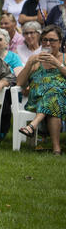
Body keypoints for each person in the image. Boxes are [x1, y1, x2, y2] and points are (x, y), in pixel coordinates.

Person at [17, 25, 66, 155]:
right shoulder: (36, 59)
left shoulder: (65, 58)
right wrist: (29, 64)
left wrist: (58, 64)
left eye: (52, 40)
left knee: (54, 94)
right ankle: (56, 148)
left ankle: (32, 125)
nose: (48, 43)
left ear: (60, 42)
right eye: (44, 40)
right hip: (37, 98)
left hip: (61, 99)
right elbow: (20, 83)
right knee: (53, 96)